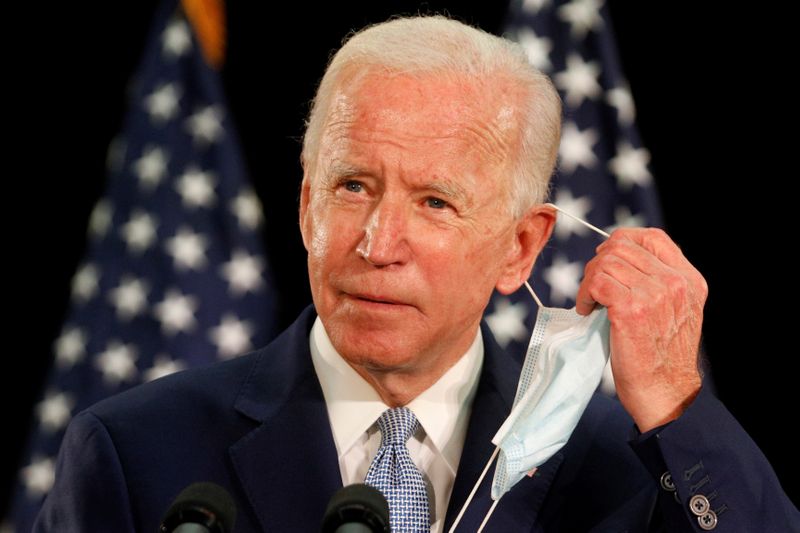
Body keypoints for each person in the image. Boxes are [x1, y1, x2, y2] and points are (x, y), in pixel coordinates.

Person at [35, 15, 797, 533]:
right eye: (353, 186)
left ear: (520, 249)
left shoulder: (618, 475)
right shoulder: (135, 454)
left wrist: (674, 405)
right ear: (307, 207)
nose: (378, 241)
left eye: (434, 201)